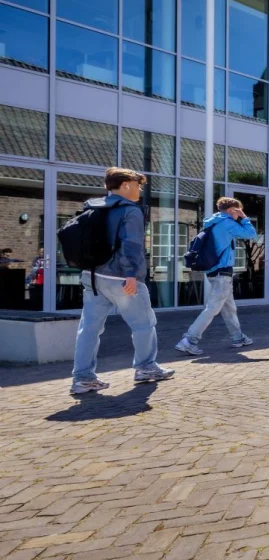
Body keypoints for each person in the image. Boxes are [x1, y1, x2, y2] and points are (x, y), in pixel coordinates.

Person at [71, 168, 175, 395]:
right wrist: (132, 275)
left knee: (89, 329)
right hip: (120, 277)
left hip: (92, 275)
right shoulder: (131, 210)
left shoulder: (93, 206)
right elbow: (131, 244)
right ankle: (146, 368)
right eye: (138, 185)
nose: (140, 190)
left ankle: (83, 378)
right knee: (143, 324)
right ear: (126, 184)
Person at [175, 198, 257, 355]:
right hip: (222, 272)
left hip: (214, 272)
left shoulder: (213, 222)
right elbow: (251, 234)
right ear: (232, 210)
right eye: (237, 211)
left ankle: (238, 337)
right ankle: (189, 339)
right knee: (212, 307)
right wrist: (244, 218)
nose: (238, 215)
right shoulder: (227, 223)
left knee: (229, 308)